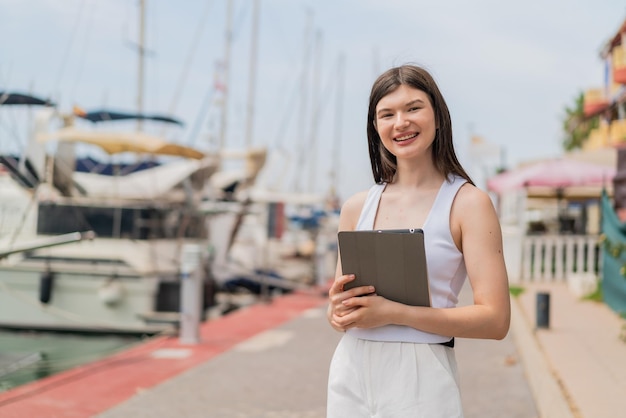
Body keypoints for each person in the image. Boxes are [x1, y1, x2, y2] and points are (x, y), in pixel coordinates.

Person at [326, 64, 510, 417]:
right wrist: (337, 313)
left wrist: (395, 313)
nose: (401, 123)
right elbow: (339, 308)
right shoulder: (355, 207)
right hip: (350, 368)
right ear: (375, 127)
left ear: (438, 117)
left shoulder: (468, 204)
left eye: (413, 108)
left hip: (421, 373)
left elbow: (496, 320)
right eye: (387, 114)